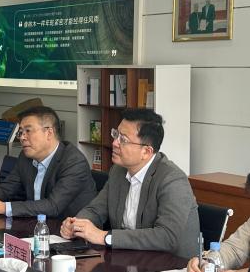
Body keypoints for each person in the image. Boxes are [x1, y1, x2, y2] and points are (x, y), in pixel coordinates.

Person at [60, 109, 200, 258]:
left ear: (146, 151)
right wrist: (77, 225)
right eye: (116, 134)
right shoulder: (118, 171)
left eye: (123, 139)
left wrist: (104, 237)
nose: (114, 143)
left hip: (171, 265)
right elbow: (95, 210)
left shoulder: (172, 180)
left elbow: (166, 236)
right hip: (128, 259)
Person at [0, 105, 94, 219]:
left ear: (49, 133)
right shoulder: (25, 156)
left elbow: (53, 206)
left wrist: (3, 207)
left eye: (28, 131)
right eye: (20, 132)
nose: (22, 137)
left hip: (69, 231)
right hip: (35, 225)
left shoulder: (74, 162)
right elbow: (7, 188)